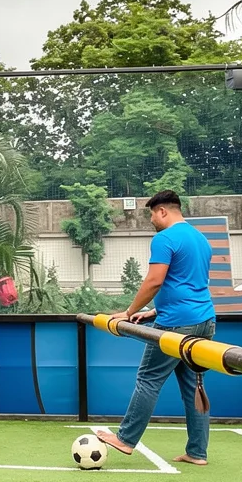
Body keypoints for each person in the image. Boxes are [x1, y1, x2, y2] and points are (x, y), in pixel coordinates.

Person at [96, 190, 216, 466]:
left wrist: (129, 312)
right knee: (192, 386)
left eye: (152, 214)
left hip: (175, 325)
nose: (152, 220)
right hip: (205, 322)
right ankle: (197, 452)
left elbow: (154, 281)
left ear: (162, 211)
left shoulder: (164, 238)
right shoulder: (201, 239)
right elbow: (190, 284)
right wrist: (154, 311)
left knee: (148, 379)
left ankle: (125, 439)